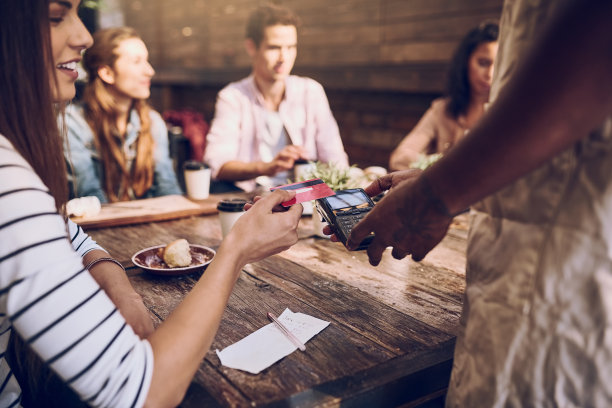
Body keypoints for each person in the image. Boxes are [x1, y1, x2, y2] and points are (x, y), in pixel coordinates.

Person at [0, 1, 302, 407]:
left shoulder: (149, 123)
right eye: (56, 16)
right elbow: (142, 393)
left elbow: (69, 232)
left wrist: (124, 293)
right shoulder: (12, 177)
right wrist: (235, 252)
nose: (84, 37)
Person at [340, 0, 612, 406]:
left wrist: (436, 193)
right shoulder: (443, 109)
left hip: (563, 276)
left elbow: (598, 43)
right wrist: (436, 180)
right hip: (522, 271)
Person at [204, 3, 349, 191]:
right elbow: (218, 164)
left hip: (305, 198)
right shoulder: (232, 97)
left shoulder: (311, 91)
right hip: (251, 198)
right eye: (274, 48)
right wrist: (267, 167)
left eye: (291, 47)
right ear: (251, 47)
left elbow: (336, 161)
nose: (284, 57)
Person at [64, 27, 182, 203]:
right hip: (97, 227)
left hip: (149, 225)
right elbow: (89, 197)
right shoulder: (73, 123)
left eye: (147, 61)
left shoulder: (152, 121)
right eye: (137, 62)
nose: (149, 71)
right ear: (107, 73)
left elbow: (168, 189)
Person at [389, 22, 499, 171]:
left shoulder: (504, 112)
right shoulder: (442, 109)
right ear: (466, 62)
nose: (490, 74)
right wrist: (441, 166)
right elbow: (399, 158)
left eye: (497, 65)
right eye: (483, 63)